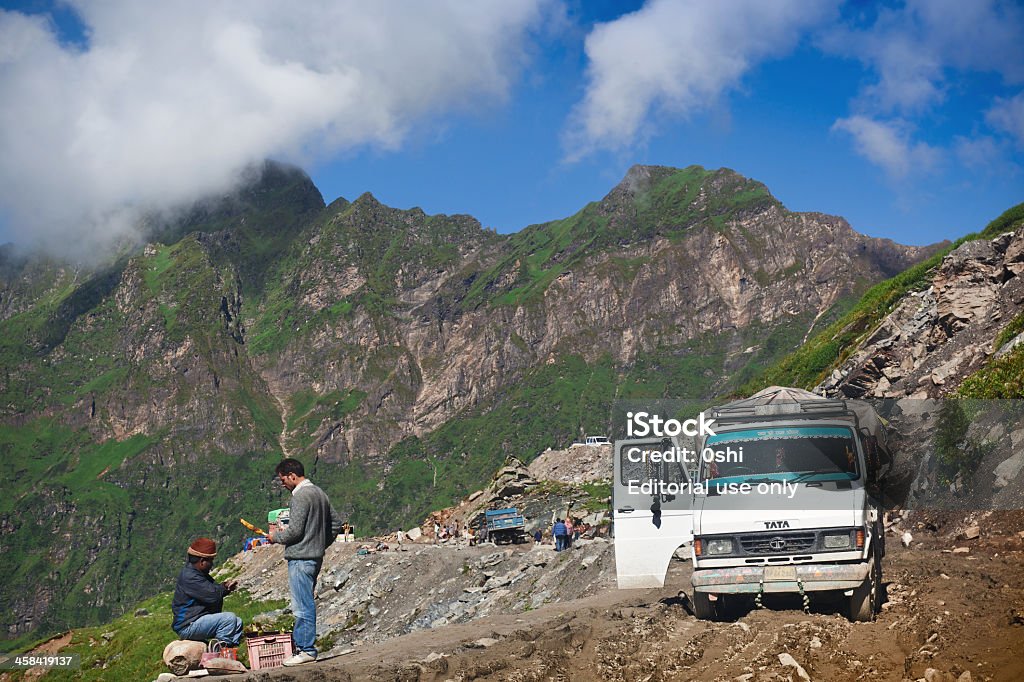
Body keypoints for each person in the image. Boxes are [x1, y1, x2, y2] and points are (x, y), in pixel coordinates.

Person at [268, 458, 343, 666]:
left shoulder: (300, 496)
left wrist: (275, 537)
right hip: (314, 556)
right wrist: (320, 543)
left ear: (292, 476)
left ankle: (306, 649)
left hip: (300, 558)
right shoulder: (320, 493)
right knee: (306, 600)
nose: (282, 484)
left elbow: (294, 531)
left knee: (302, 605)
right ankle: (304, 647)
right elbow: (336, 524)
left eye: (283, 479)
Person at [171, 538, 242, 646]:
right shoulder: (191, 577)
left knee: (237, 622)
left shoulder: (197, 573)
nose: (212, 564)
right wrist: (223, 588)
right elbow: (213, 596)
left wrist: (225, 588)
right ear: (202, 561)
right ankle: (219, 649)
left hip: (197, 620)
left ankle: (230, 646)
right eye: (210, 561)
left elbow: (214, 590)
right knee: (229, 619)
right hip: (188, 625)